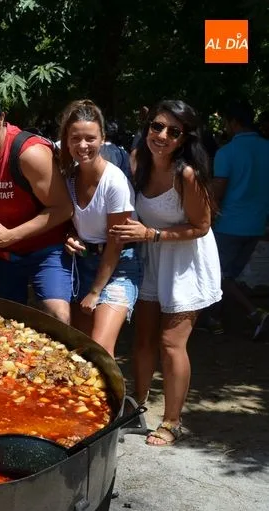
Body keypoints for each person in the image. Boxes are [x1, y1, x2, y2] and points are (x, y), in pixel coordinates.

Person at [109, 100, 222, 446]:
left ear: (184, 139)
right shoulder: (137, 162)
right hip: (152, 258)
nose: (162, 136)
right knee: (142, 339)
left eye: (173, 131)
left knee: (172, 343)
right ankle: (136, 409)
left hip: (187, 263)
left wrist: (152, 234)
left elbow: (201, 226)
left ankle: (172, 421)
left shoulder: (186, 174)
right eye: (157, 126)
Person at [0, 92, 75, 323]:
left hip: (45, 249)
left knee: (58, 316)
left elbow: (64, 209)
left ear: (2, 118)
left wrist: (11, 236)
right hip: (3, 255)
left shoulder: (29, 153)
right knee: (3, 324)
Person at [58, 101, 141, 357]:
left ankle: (115, 398)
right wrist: (69, 235)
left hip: (117, 265)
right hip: (83, 263)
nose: (83, 145)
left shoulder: (114, 182)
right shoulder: (69, 176)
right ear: (67, 141)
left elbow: (116, 242)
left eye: (90, 138)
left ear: (103, 139)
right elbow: (71, 221)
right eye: (76, 138)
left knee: (101, 349)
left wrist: (95, 292)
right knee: (81, 348)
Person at [204, 100, 269, 338]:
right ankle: (214, 318)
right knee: (227, 275)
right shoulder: (267, 148)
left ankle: (255, 314)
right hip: (256, 224)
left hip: (229, 224)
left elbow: (218, 189)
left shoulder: (227, 152)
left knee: (218, 275)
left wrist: (206, 215)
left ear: (233, 122)